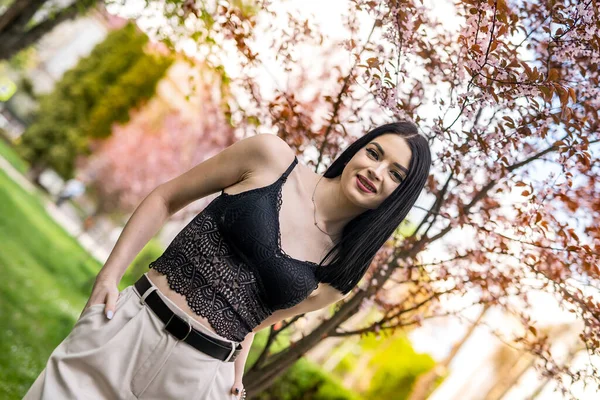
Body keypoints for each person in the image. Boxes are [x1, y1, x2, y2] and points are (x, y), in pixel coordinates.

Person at [24, 121, 431, 399]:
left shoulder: (341, 274)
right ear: (356, 150)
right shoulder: (270, 159)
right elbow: (166, 197)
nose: (376, 172)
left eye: (395, 174)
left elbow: (252, 320)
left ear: (399, 197)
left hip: (196, 380)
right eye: (374, 153)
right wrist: (108, 275)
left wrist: (233, 383)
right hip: (130, 326)